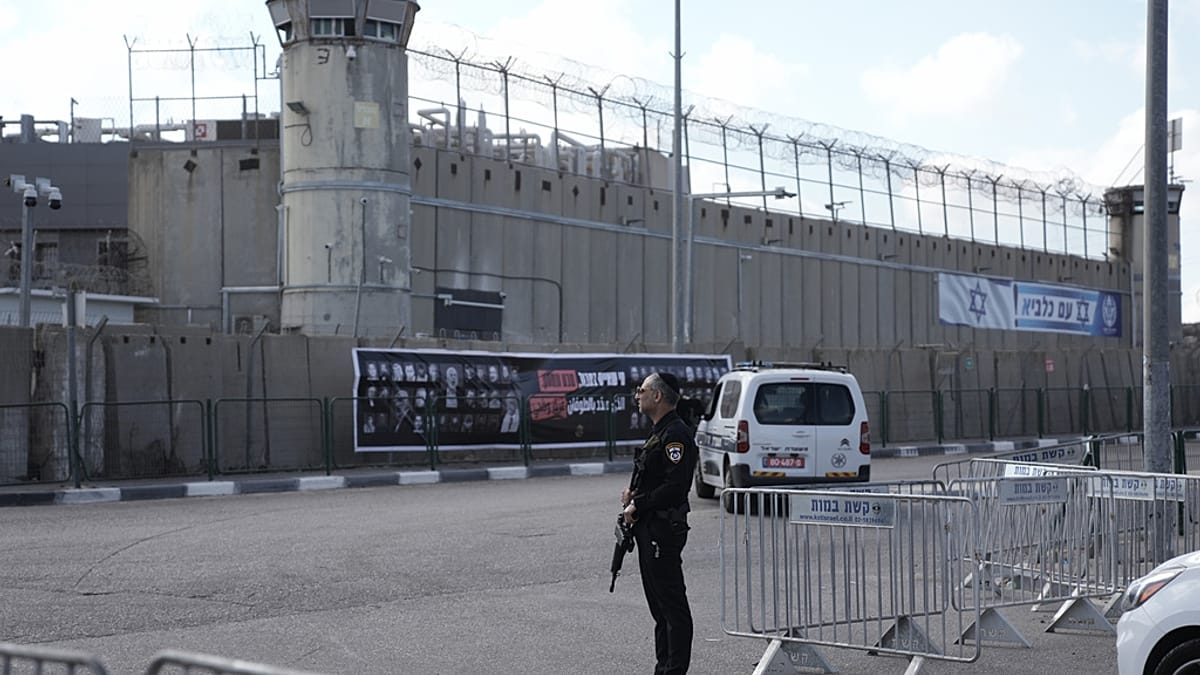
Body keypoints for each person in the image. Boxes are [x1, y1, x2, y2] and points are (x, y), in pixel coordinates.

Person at [620, 372, 696, 675]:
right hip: (649, 529)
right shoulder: (659, 432)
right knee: (660, 609)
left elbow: (676, 487)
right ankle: (663, 668)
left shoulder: (675, 435)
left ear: (657, 396)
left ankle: (674, 670)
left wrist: (640, 503)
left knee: (672, 607)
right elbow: (655, 476)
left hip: (663, 531)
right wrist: (633, 493)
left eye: (642, 390)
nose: (637, 395)